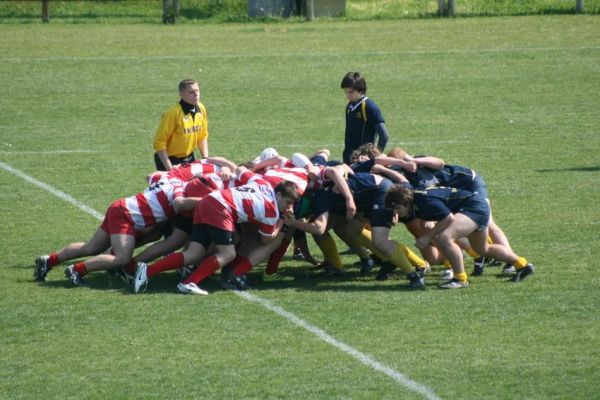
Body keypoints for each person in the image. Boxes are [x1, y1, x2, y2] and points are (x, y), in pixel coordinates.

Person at [133, 167, 300, 295]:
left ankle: (146, 270)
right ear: (278, 195)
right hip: (220, 208)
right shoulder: (271, 211)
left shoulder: (262, 183)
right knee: (228, 254)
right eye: (287, 202)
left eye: (291, 204)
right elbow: (266, 240)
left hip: (208, 201)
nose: (289, 207)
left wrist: (232, 171)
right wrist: (281, 222)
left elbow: (241, 170)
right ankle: (188, 283)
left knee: (194, 254)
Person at [385, 184, 535, 289]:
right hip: (476, 206)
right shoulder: (415, 201)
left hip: (473, 208)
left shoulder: (423, 200)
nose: (397, 213)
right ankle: (522, 265)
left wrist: (427, 236)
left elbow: (448, 218)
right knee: (482, 248)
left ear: (405, 202)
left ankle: (460, 278)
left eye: (397, 208)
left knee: (444, 237)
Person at [153, 79, 209, 171]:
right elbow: (159, 144)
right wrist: (171, 170)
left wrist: (206, 159)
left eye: (197, 90)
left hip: (189, 159)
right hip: (169, 160)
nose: (196, 94)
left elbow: (202, 136)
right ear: (181, 94)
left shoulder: (201, 109)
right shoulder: (173, 114)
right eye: (191, 92)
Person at [340, 72, 389, 164]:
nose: (347, 95)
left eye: (350, 92)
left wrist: (375, 156)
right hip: (349, 158)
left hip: (362, 160)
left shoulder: (369, 107)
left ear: (361, 91)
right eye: (345, 92)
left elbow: (384, 135)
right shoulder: (350, 106)